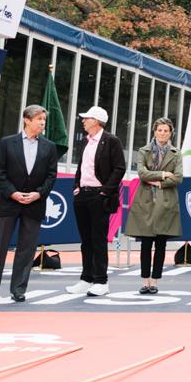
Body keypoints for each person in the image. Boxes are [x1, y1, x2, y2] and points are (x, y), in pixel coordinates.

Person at [0, 104, 59, 304]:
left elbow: (51, 176)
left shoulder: (49, 147)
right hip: (9, 203)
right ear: (27, 120)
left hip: (35, 204)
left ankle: (18, 289)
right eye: (39, 119)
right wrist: (13, 193)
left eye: (44, 120)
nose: (43, 123)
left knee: (26, 249)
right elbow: (0, 173)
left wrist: (38, 194)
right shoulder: (7, 143)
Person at [69, 106, 128, 297]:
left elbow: (119, 168)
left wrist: (104, 191)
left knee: (98, 239)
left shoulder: (111, 140)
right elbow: (82, 167)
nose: (83, 121)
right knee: (86, 240)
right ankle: (86, 278)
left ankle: (101, 280)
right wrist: (77, 186)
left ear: (96, 121)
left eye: (87, 118)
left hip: (98, 196)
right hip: (82, 195)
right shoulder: (85, 142)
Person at [127, 117, 182, 295]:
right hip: (145, 201)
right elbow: (142, 173)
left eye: (166, 131)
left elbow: (178, 177)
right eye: (159, 130)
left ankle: (155, 281)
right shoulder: (144, 150)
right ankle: (145, 281)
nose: (162, 134)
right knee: (145, 243)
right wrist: (164, 173)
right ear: (154, 131)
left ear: (170, 133)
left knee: (161, 244)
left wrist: (160, 182)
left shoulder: (176, 152)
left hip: (166, 201)